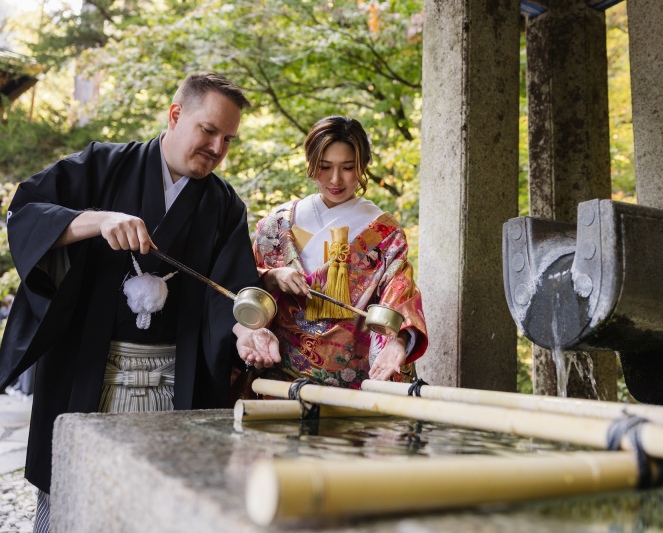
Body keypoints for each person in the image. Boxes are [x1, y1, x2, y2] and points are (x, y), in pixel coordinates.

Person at [0, 72, 277, 532]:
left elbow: (228, 289)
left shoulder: (225, 205)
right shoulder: (103, 165)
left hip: (172, 383)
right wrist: (96, 221)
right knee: (71, 501)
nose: (217, 148)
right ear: (175, 115)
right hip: (88, 371)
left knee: (159, 509)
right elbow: (26, 214)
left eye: (228, 138)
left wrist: (248, 330)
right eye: (208, 130)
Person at [233, 115, 427, 389]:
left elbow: (399, 293)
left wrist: (396, 342)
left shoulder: (384, 233)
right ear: (310, 164)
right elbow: (243, 282)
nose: (336, 179)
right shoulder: (279, 224)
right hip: (278, 373)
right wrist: (273, 276)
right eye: (324, 167)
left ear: (363, 166)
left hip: (355, 381)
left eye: (348, 168)